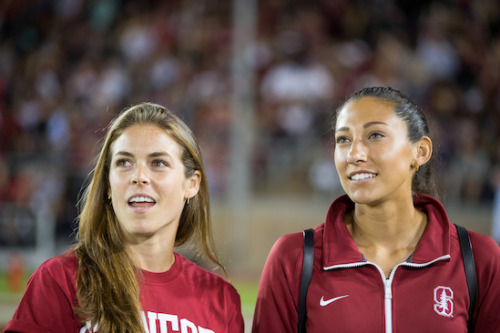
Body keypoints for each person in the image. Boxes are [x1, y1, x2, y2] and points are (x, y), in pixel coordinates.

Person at [252, 87, 500, 332]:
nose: (354, 154)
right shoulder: (294, 258)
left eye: (375, 135)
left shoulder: (478, 259)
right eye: (343, 139)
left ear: (420, 151)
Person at [5, 103, 244, 333]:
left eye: (158, 163)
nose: (139, 176)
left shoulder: (221, 300)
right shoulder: (61, 280)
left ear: (191, 184)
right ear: (109, 185)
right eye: (124, 163)